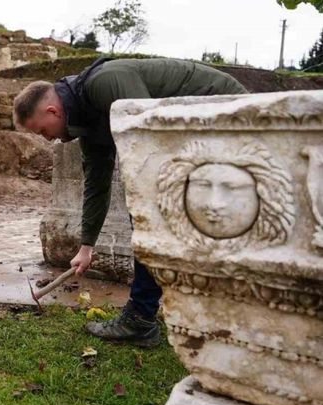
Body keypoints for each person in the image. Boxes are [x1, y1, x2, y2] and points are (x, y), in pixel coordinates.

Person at [13, 57, 247, 348]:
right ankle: (159, 315)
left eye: (42, 131)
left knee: (156, 214)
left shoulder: (105, 83)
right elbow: (96, 184)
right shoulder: (88, 118)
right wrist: (86, 247)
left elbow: (148, 136)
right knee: (156, 216)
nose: (48, 139)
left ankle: (143, 318)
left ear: (52, 111)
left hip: (222, 109)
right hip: (194, 130)